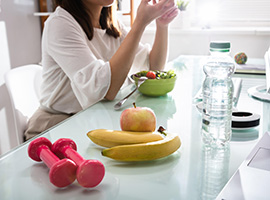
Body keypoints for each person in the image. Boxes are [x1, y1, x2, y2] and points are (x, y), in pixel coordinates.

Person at [24, 0, 178, 140]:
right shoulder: (59, 24)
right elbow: (105, 90)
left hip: (91, 119)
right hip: (54, 126)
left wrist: (162, 25)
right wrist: (140, 23)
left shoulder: (111, 25)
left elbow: (153, 69)